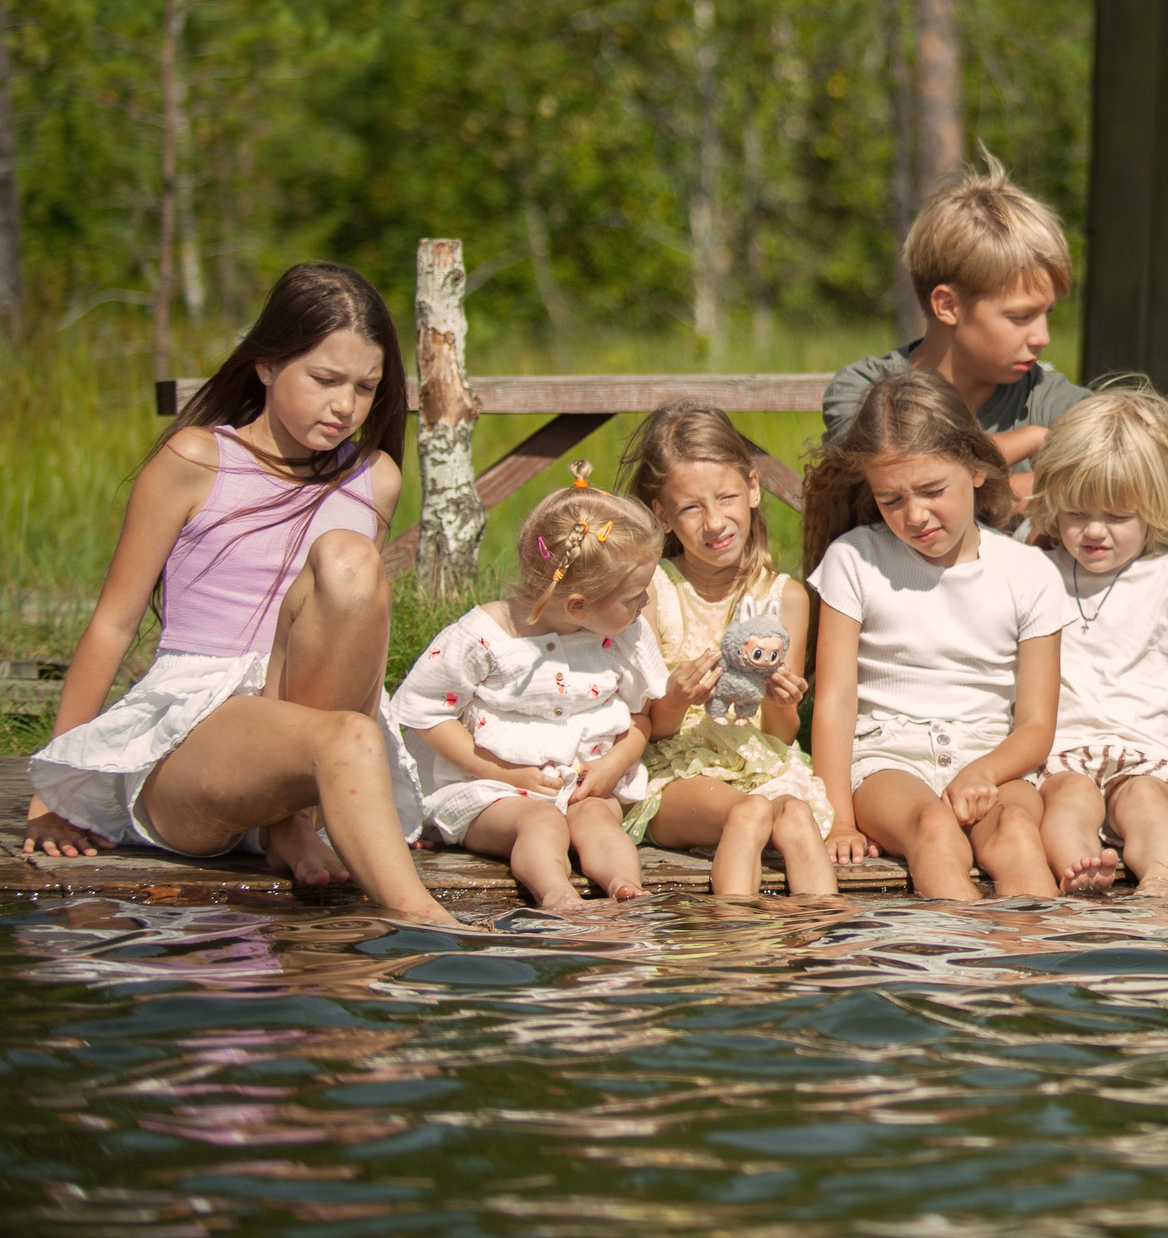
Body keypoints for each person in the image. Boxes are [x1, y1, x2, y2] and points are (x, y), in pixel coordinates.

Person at [22, 263, 458, 926]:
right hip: (200, 734)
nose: (345, 405)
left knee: (349, 564)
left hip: (309, 727)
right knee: (341, 738)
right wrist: (53, 788)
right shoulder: (197, 459)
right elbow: (113, 622)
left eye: (366, 387)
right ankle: (430, 928)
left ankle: (295, 827)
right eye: (324, 378)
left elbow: (350, 631)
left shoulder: (375, 478)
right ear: (265, 364)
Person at [804, 369, 1073, 899]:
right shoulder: (854, 559)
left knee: (1018, 833)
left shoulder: (1030, 573)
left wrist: (984, 772)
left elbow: (1037, 724)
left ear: (975, 468)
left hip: (994, 758)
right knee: (933, 827)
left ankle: (1034, 971)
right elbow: (834, 703)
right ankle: (953, 971)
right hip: (888, 761)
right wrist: (838, 818)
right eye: (891, 500)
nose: (915, 516)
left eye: (931, 491)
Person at [391, 465, 665, 913]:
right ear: (578, 605)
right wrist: (503, 773)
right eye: (635, 595)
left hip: (585, 785)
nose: (646, 604)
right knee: (539, 823)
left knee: (598, 821)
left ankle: (625, 886)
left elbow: (640, 717)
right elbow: (425, 712)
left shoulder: (624, 637)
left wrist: (612, 766)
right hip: (490, 791)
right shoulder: (486, 638)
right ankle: (555, 891)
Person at [619, 403, 837, 898]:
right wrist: (676, 697)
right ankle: (735, 946)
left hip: (759, 763)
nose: (715, 522)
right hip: (675, 774)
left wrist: (783, 702)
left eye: (727, 498)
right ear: (663, 515)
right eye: (692, 508)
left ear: (754, 489)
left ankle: (822, 951)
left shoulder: (784, 598)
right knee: (752, 811)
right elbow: (653, 729)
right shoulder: (651, 592)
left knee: (795, 814)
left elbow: (783, 732)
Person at [1029, 383, 1168, 896]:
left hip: (1151, 755)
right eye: (1076, 513)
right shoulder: (1035, 574)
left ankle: (1159, 886)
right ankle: (1081, 871)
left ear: (1153, 508)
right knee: (1067, 804)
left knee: (1146, 806)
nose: (1095, 531)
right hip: (1064, 752)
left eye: (1117, 516)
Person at [821, 152, 1087, 498]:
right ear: (948, 306)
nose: (1042, 338)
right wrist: (1034, 454)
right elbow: (909, 489)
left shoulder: (1051, 401)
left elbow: (1129, 472)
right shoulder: (863, 392)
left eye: (1047, 313)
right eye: (1020, 317)